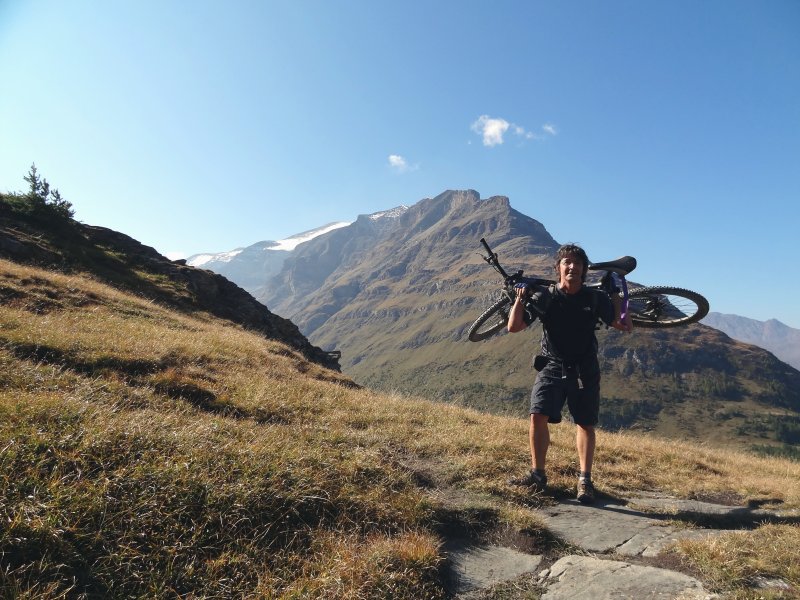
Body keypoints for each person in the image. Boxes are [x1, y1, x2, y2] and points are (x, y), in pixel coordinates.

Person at [507, 243, 632, 504]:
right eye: (567, 262)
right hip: (552, 365)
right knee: (537, 416)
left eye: (577, 263)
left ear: (585, 270)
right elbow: (514, 327)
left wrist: (617, 298)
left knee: (585, 424)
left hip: (584, 369)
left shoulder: (594, 298)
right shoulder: (546, 297)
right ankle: (537, 476)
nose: (572, 266)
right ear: (559, 268)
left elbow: (623, 325)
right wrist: (520, 298)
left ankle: (585, 481)